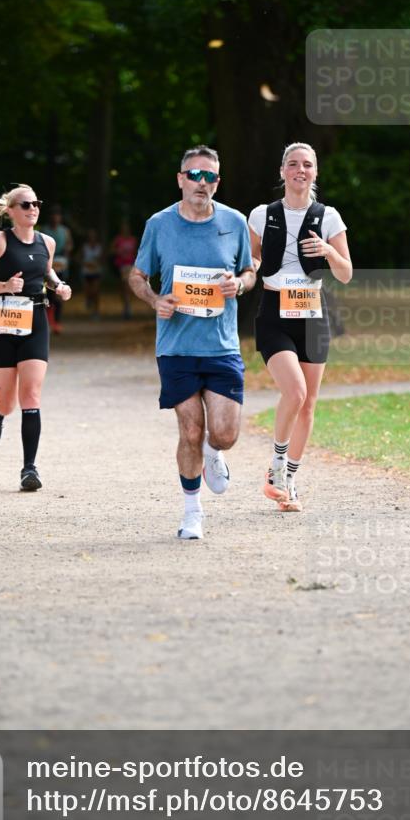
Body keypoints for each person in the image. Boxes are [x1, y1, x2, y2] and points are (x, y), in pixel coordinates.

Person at [129, 145, 256, 540]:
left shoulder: (234, 222)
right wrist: (154, 299)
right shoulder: (159, 224)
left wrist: (240, 283)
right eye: (194, 175)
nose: (202, 183)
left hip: (221, 346)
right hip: (176, 347)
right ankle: (192, 512)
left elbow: (250, 270)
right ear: (181, 179)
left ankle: (214, 455)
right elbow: (137, 275)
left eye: (210, 177)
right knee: (189, 432)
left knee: (223, 435)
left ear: (218, 182)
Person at [248, 142, 353, 512]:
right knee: (294, 392)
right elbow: (252, 260)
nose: (300, 170)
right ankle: (276, 466)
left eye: (307, 164)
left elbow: (345, 272)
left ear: (315, 172)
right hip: (274, 311)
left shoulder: (329, 217)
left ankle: (289, 480)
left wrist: (328, 251)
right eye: (293, 163)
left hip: (312, 312)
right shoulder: (262, 215)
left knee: (308, 405)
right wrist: (249, 267)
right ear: (282, 171)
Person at [0, 183, 71, 491]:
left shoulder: (47, 242)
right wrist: (4, 287)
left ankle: (29, 468)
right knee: (8, 401)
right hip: (0, 321)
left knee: (31, 395)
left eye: (36, 203)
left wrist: (59, 285)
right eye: (25, 204)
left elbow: (46, 272)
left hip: (35, 320)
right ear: (11, 211)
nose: (33, 208)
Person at [40, 205, 73, 334]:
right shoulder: (44, 230)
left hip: (62, 263)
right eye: (53, 216)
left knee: (59, 294)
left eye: (57, 216)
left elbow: (70, 244)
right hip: (48, 263)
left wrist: (67, 251)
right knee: (48, 295)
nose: (55, 218)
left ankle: (57, 322)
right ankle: (49, 320)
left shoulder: (65, 231)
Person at [111, 218, 138, 319]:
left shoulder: (133, 240)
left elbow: (136, 252)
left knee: (128, 287)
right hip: (121, 265)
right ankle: (126, 306)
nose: (125, 230)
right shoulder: (118, 239)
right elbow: (111, 250)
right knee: (123, 287)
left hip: (131, 265)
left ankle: (127, 307)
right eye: (123, 229)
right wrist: (117, 251)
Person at [80, 229, 103, 319]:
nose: (91, 238)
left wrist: (97, 262)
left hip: (96, 271)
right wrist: (84, 263)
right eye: (90, 236)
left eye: (93, 236)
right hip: (86, 272)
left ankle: (96, 311)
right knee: (88, 291)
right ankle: (88, 300)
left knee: (96, 291)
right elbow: (78, 258)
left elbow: (102, 259)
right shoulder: (84, 247)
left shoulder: (99, 247)